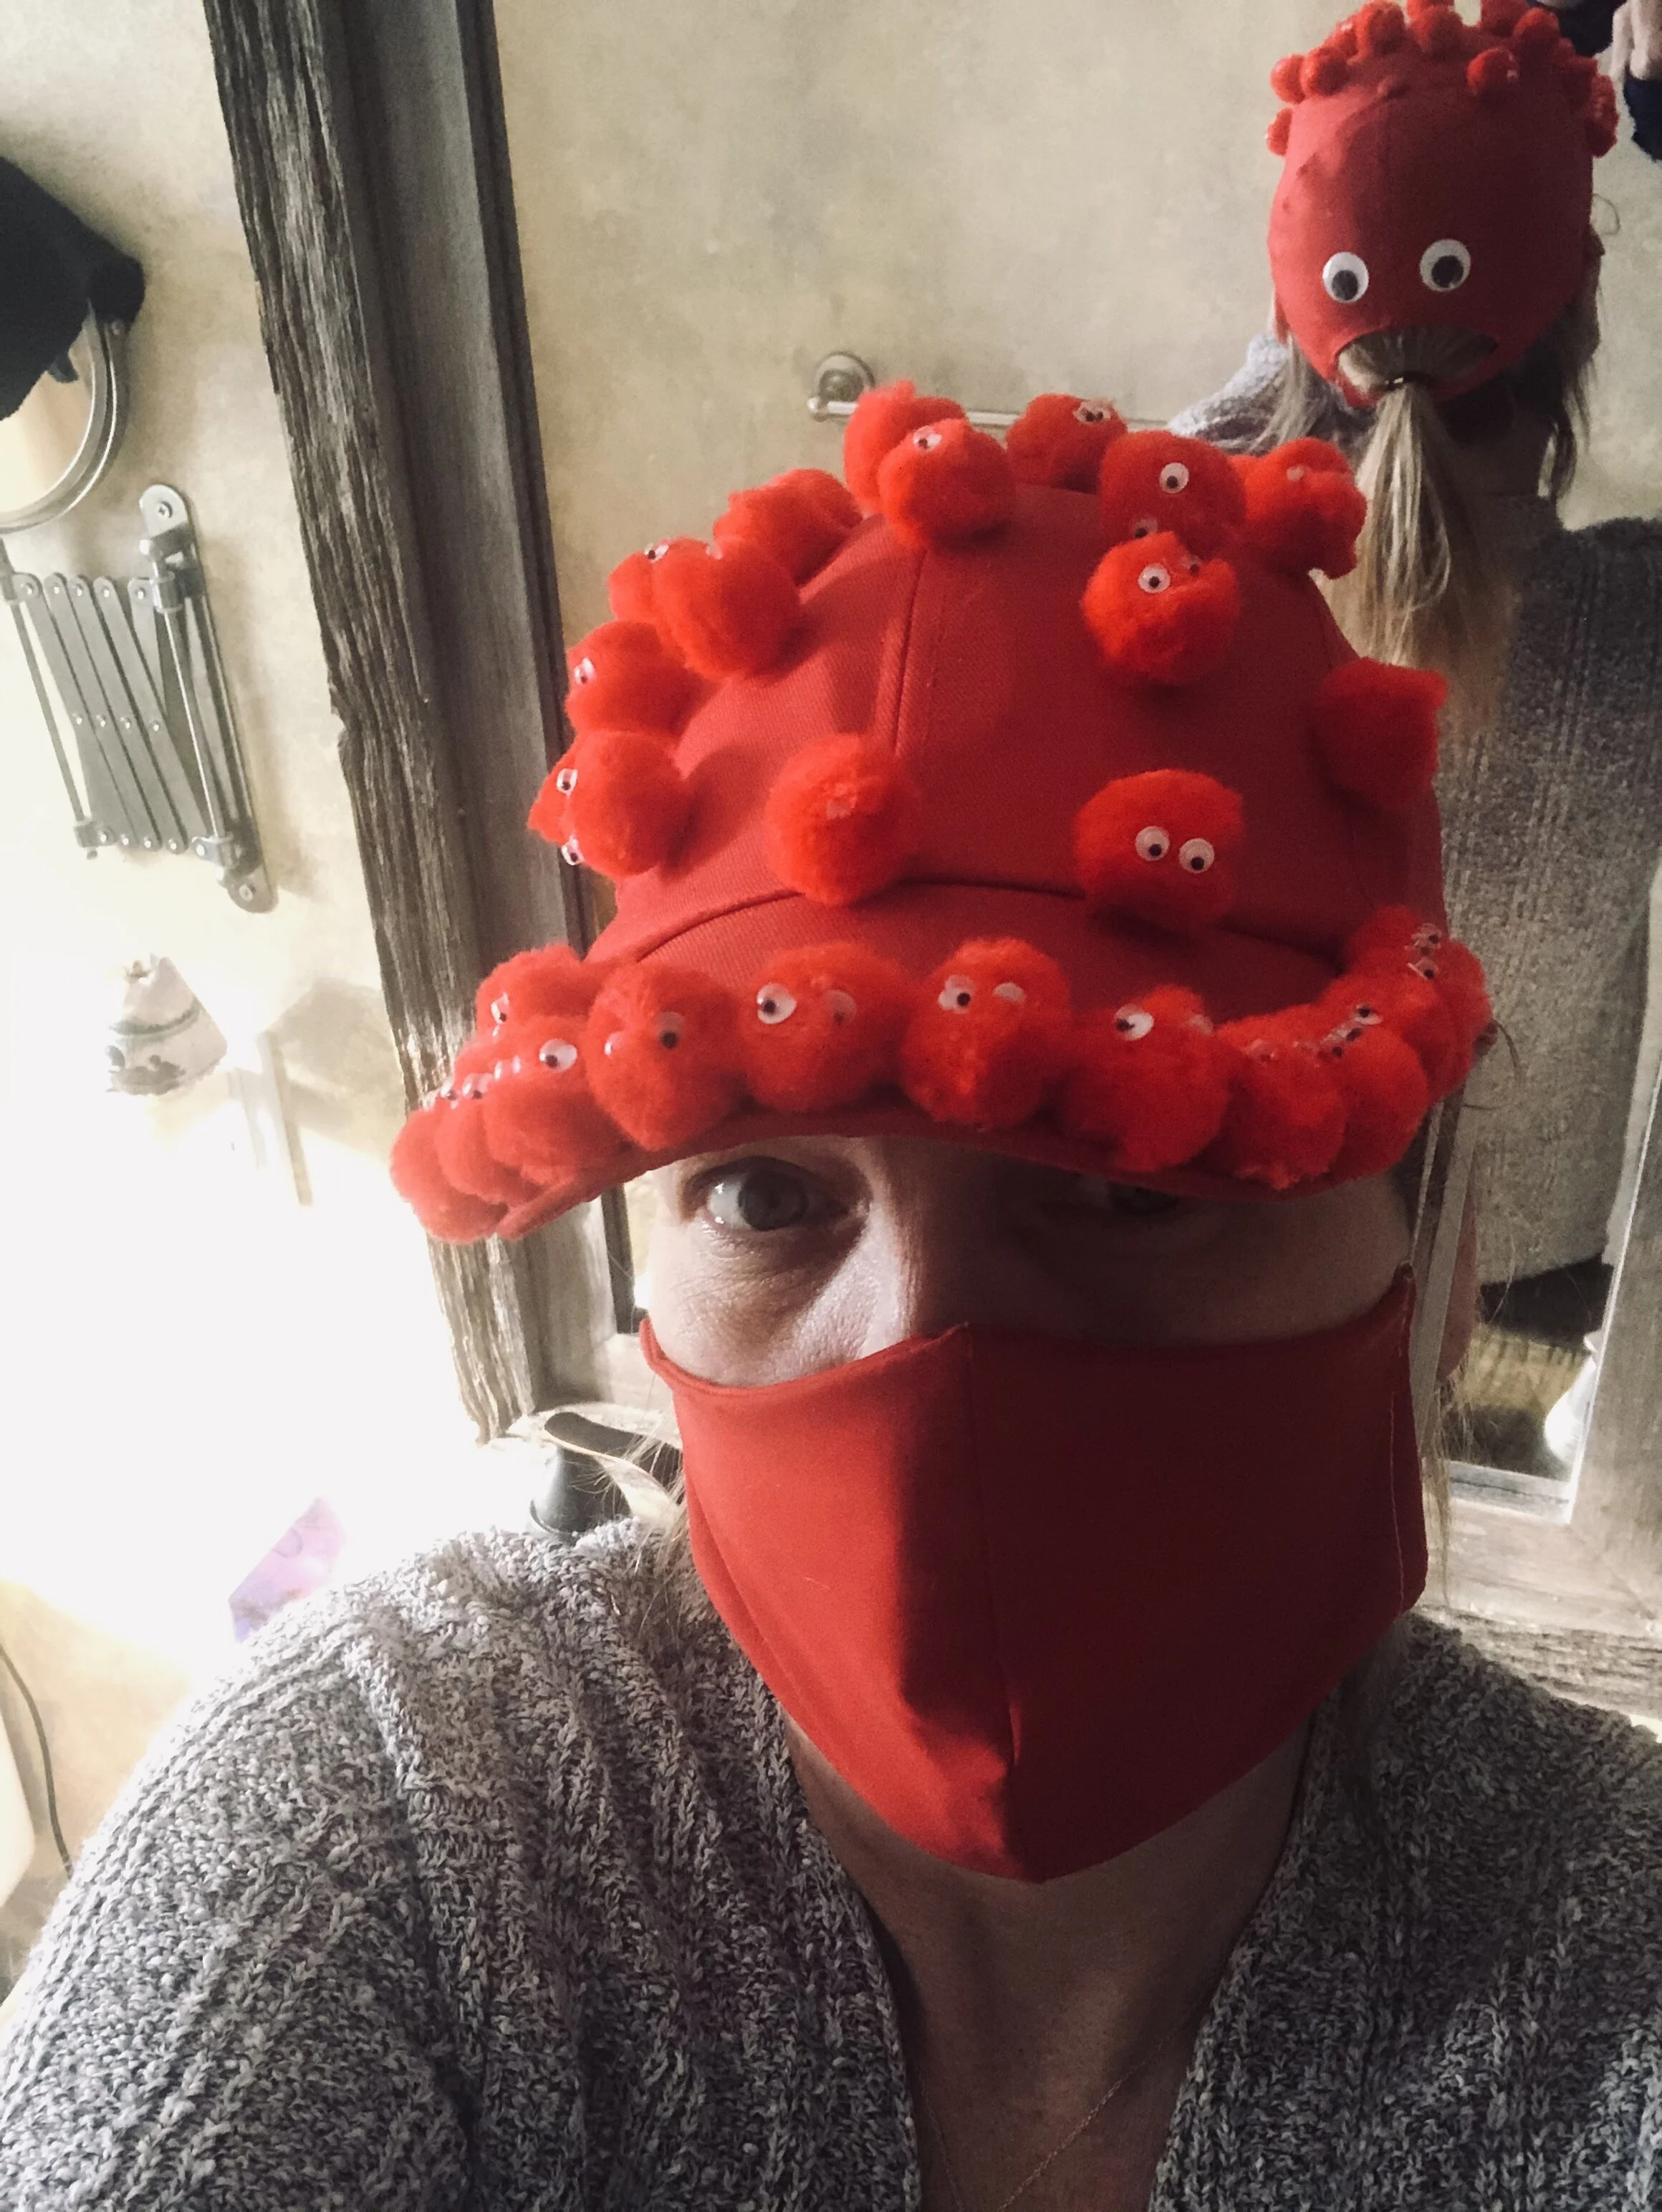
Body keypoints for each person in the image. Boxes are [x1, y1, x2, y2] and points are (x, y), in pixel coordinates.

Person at [2, 380, 1658, 2211]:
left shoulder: (1609, 1937)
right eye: (766, 1192)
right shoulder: (383, 1809)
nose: (915, 1349)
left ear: (1439, 1258)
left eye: (1127, 1181)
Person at [1173, 0, 1662, 1398]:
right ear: (1579, 325)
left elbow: (1228, 416)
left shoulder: (1182, 574)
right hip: (1525, 1279)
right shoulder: (1637, 628)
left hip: (1243, 1242)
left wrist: (1337, 269)